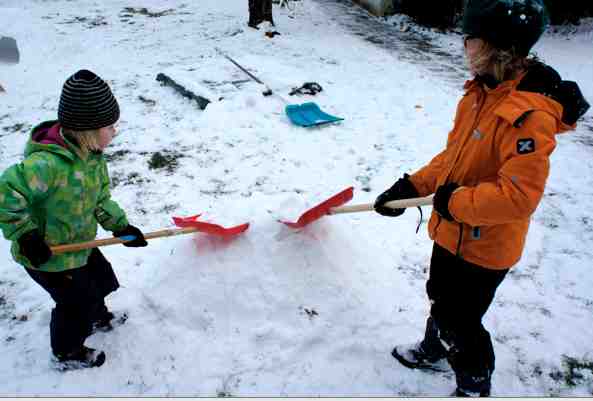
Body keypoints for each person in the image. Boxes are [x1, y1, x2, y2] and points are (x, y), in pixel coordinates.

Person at [374, 0, 589, 396]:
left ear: (497, 47)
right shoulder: (477, 95)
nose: (463, 44)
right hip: (450, 232)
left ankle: (474, 385)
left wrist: (453, 203)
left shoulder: (529, 115)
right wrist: (413, 186)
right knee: (440, 296)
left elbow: (518, 196)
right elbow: (453, 160)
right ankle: (433, 347)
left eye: (470, 38)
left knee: (461, 320)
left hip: (485, 246)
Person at [0, 69, 148, 370]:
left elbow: (100, 200)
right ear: (87, 130)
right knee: (74, 303)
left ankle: (97, 314)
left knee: (101, 278)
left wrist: (120, 227)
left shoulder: (92, 158)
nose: (115, 132)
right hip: (48, 255)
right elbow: (6, 194)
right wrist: (26, 235)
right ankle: (67, 352)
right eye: (109, 126)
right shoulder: (46, 165)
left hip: (79, 244)